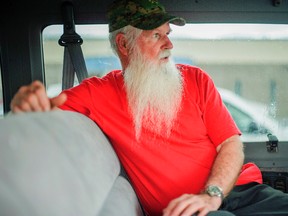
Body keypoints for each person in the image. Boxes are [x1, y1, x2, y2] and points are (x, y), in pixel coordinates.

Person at [10, 0, 288, 215]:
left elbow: (230, 143)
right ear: (124, 45)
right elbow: (44, 110)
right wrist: (26, 103)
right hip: (184, 209)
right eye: (156, 36)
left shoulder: (196, 80)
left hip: (243, 190)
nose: (169, 44)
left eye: (167, 34)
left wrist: (212, 194)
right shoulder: (98, 94)